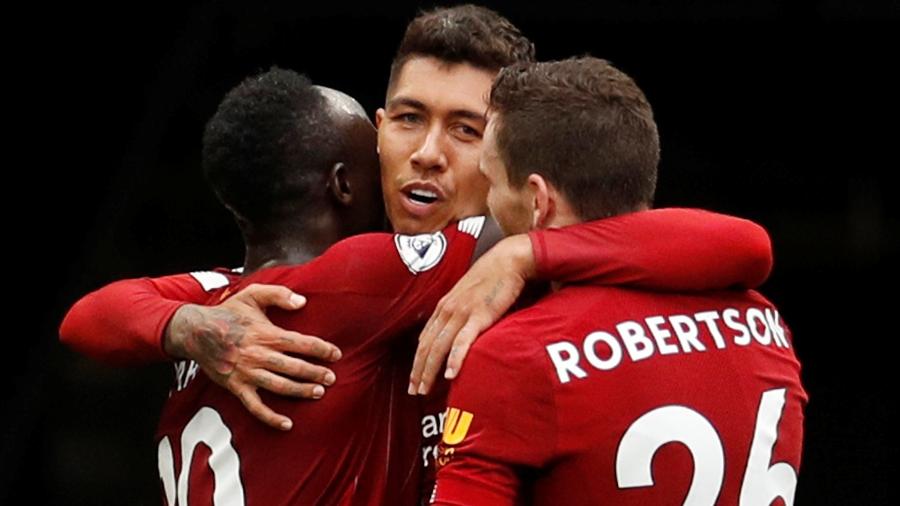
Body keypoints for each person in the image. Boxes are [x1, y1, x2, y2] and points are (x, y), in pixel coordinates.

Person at [61, 5, 775, 504]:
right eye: (408, 119)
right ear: (374, 135)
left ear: (507, 151)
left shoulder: (576, 273)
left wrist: (524, 254)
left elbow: (737, 244)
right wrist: (194, 328)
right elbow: (94, 314)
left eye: (465, 130)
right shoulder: (299, 293)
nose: (426, 155)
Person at [431, 57, 807, 506]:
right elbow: (748, 243)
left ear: (538, 200)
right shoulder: (763, 323)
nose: (487, 202)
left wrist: (527, 251)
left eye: (491, 182)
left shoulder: (517, 355)